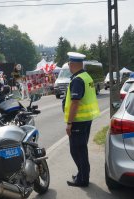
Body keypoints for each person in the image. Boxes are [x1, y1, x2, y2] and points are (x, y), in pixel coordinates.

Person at [64, 52, 100, 187]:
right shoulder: (86, 76)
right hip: (86, 119)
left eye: (69, 64)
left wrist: (69, 123)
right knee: (80, 149)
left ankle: (83, 179)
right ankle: (82, 175)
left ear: (73, 64)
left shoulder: (78, 80)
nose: (68, 66)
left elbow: (75, 103)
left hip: (78, 121)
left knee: (77, 151)